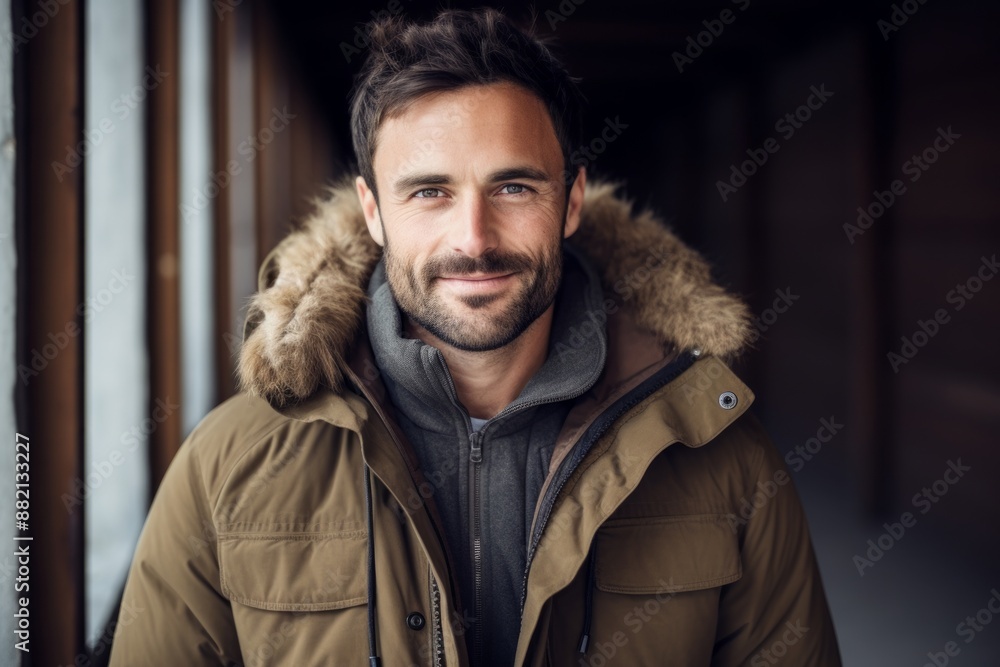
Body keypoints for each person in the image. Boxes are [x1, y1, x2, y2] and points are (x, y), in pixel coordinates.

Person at [110, 8, 841, 666]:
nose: (474, 238)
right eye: (429, 192)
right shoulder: (226, 466)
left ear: (572, 199)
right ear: (371, 211)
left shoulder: (721, 456)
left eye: (514, 187)